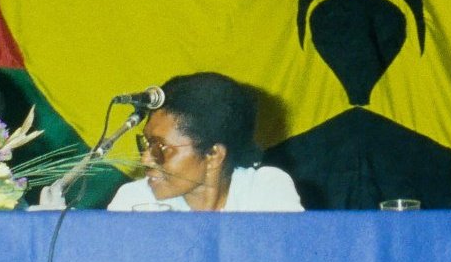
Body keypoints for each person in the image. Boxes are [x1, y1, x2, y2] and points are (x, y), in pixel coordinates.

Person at [106, 72, 304, 212]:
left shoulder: (264, 190)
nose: (146, 160)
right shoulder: (135, 201)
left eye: (160, 147)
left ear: (213, 155)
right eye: (146, 144)